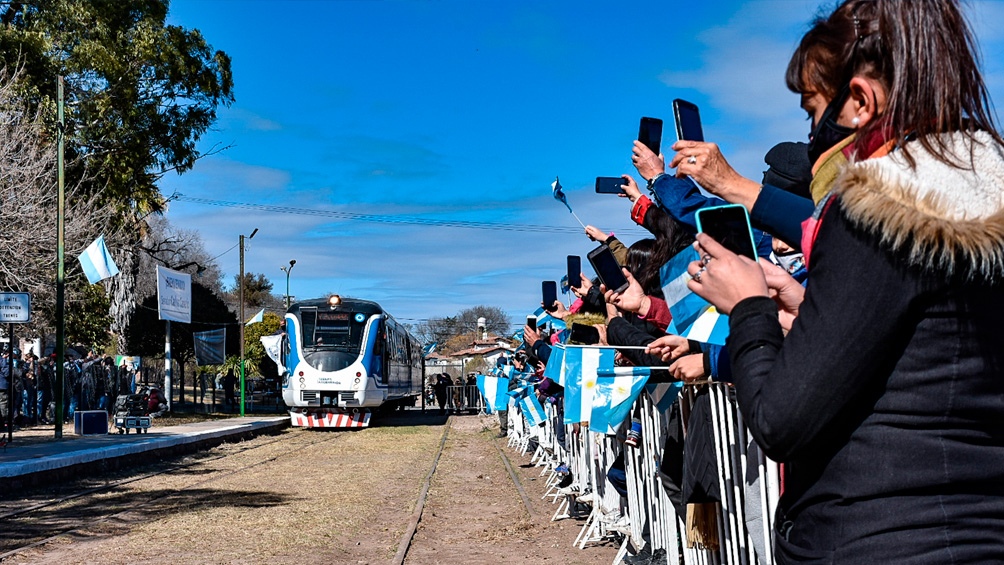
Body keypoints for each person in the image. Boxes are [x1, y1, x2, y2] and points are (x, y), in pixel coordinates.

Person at [684, 1, 1004, 561]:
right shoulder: (978, 198)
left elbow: (782, 421)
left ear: (859, 102)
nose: (812, 134)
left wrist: (748, 308)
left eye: (812, 111)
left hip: (874, 534)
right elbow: (928, 358)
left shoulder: (878, 212)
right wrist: (812, 311)